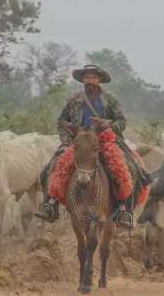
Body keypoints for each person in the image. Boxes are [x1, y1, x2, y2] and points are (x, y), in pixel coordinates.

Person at [35, 64, 150, 228]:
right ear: (83, 80)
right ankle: (49, 205)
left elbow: (122, 122)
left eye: (94, 77)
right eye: (87, 77)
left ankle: (125, 211)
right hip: (79, 141)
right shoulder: (75, 100)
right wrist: (67, 139)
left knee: (131, 168)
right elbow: (62, 121)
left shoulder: (110, 99)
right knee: (52, 166)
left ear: (99, 80)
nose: (90, 80)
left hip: (105, 140)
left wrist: (107, 124)